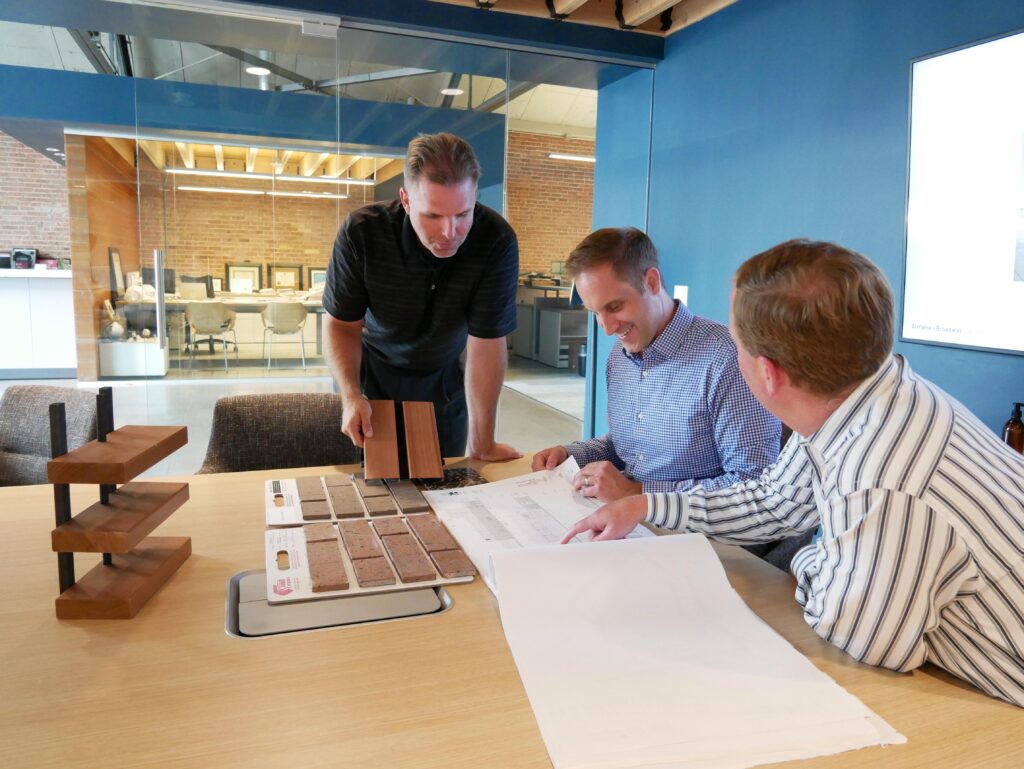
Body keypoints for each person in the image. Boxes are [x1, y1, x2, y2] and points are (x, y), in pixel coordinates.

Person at [562, 239, 1024, 707]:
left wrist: (812, 561)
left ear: (768, 374)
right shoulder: (864, 393)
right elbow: (774, 501)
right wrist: (646, 505)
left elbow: (863, 637)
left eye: (737, 345)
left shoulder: (881, 478)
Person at [532, 227, 786, 546]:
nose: (607, 328)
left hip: (709, 546)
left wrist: (639, 496)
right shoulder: (621, 355)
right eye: (595, 312)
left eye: (614, 307)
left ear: (652, 282)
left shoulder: (726, 359)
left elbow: (754, 487)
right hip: (634, 528)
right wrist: (572, 454)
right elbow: (633, 446)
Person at [323, 132, 521, 461]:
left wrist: (483, 442)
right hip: (370, 374)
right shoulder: (362, 233)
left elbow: (486, 342)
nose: (449, 232)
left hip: (444, 379)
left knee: (443, 485)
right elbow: (342, 325)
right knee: (369, 482)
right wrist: (350, 393)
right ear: (406, 200)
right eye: (432, 216)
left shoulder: (495, 241)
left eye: (463, 214)